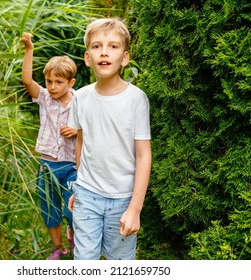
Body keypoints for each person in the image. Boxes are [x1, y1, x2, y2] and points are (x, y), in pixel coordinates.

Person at [67, 18, 152, 260]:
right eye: (97, 46)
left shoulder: (136, 99)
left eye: (113, 46)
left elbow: (144, 155)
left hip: (123, 200)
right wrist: (79, 185)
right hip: (87, 195)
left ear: (124, 58)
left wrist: (135, 208)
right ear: (87, 57)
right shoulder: (80, 98)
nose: (104, 52)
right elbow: (82, 143)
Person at [21, 32, 77, 260]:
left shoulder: (80, 102)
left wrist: (77, 130)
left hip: (72, 166)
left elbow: (92, 129)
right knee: (50, 210)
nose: (52, 87)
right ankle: (58, 248)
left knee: (72, 210)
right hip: (47, 165)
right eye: (49, 81)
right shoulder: (44, 98)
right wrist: (28, 49)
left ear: (71, 82)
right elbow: (27, 81)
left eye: (59, 82)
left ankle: (75, 238)